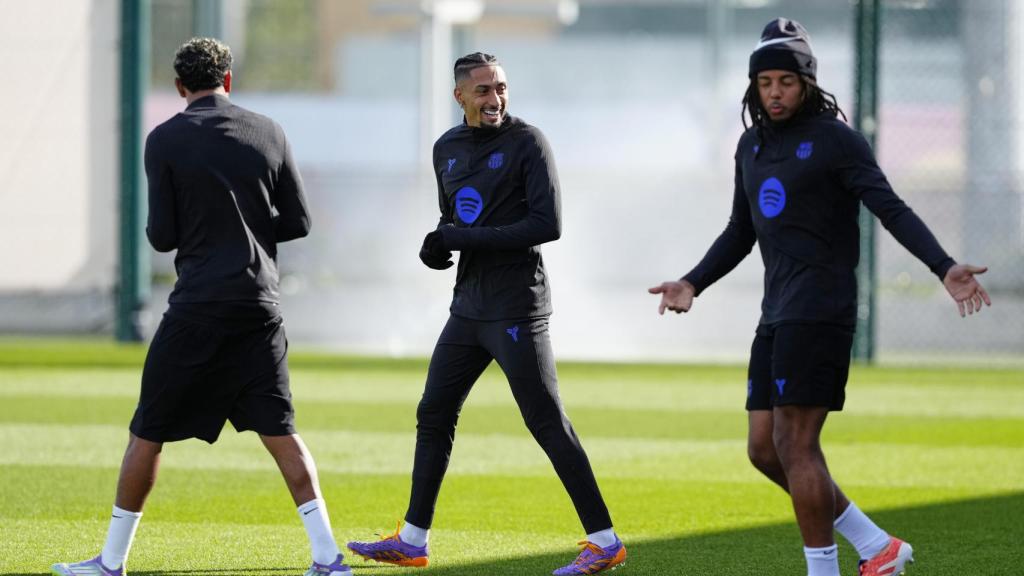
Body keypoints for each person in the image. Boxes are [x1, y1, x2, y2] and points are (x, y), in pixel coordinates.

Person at [649, 18, 990, 576]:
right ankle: (877, 546)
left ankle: (823, 570)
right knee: (764, 449)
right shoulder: (751, 146)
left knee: (796, 443)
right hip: (776, 313)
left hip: (821, 309)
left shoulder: (837, 141)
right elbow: (740, 229)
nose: (775, 92)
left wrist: (944, 266)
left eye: (786, 81)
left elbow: (891, 208)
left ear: (807, 82)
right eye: (765, 83)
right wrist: (693, 281)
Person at [51, 38, 351, 576]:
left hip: (199, 306)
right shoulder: (270, 131)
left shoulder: (164, 138)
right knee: (281, 430)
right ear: (228, 80)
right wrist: (250, 231)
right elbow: (300, 221)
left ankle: (111, 562)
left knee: (147, 432)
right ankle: (328, 557)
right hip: (259, 305)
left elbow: (162, 236)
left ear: (179, 87)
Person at [345, 52, 626, 576]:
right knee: (433, 411)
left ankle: (605, 542)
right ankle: (412, 541)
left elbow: (547, 225)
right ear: (460, 97)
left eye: (501, 88)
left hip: (517, 306)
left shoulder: (529, 142)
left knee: (545, 421)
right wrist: (437, 247)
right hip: (468, 308)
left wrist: (460, 237)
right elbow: (453, 219)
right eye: (483, 91)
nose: (495, 98)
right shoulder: (446, 149)